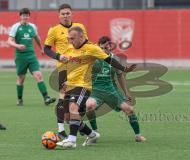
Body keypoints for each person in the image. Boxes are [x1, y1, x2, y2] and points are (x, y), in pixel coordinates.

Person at [55, 26, 136, 148]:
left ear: (81, 36)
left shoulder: (92, 48)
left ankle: (71, 140)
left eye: (72, 38)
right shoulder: (70, 48)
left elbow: (109, 60)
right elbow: (65, 65)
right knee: (67, 118)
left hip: (83, 85)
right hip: (70, 85)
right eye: (69, 38)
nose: (70, 41)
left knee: (73, 108)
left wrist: (124, 69)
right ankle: (92, 134)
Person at [44, 3, 97, 139]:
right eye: (63, 13)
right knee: (63, 98)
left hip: (80, 68)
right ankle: (61, 129)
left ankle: (79, 125)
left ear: (72, 14)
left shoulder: (80, 28)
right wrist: (58, 56)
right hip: (64, 69)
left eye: (68, 13)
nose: (65, 15)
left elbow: (86, 43)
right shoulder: (54, 30)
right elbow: (46, 49)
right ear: (59, 15)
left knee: (79, 101)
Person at [86, 36, 146, 142]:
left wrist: (126, 92)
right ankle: (94, 133)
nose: (106, 47)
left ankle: (138, 135)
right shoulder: (92, 57)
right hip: (95, 91)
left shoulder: (115, 59)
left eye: (108, 45)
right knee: (89, 106)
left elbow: (120, 76)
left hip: (111, 91)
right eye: (103, 45)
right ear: (98, 46)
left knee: (130, 110)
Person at [7, 8, 56, 106]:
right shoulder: (15, 27)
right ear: (20, 16)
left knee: (39, 75)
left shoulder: (32, 26)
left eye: (27, 15)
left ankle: (46, 98)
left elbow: (37, 38)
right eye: (23, 15)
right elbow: (9, 41)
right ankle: (20, 99)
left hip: (32, 56)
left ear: (29, 16)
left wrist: (41, 48)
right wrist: (18, 46)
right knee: (21, 78)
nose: (25, 17)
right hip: (20, 57)